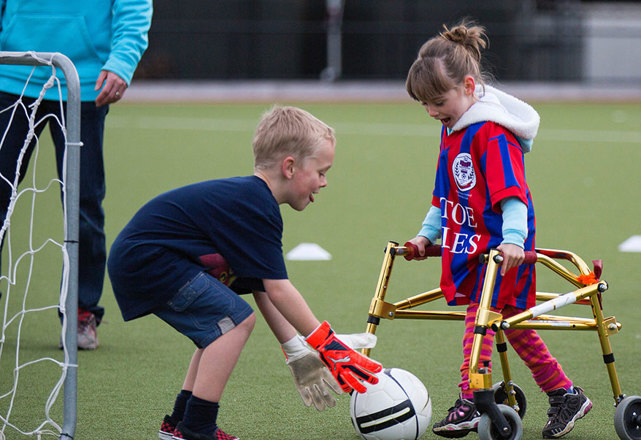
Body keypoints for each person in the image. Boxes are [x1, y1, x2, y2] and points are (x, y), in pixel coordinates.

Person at [107, 106, 382, 440]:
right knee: (236, 322)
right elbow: (280, 289)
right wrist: (328, 344)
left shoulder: (251, 201)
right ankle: (197, 429)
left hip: (141, 259)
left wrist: (295, 348)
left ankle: (180, 424)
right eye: (321, 171)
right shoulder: (255, 204)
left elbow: (263, 288)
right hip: (149, 260)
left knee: (219, 328)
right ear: (290, 167)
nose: (325, 182)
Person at [403, 21, 591, 439]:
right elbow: (444, 198)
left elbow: (514, 199)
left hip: (502, 255)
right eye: (425, 105)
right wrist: (424, 237)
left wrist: (513, 242)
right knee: (515, 328)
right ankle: (565, 394)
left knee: (480, 320)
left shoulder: (492, 135)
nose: (433, 111)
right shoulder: (451, 132)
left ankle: (471, 398)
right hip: (473, 251)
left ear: (468, 86)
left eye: (438, 101)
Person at [0, 0, 153, 350]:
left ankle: (81, 311)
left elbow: (135, 6)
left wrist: (122, 61)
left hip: (81, 81)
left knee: (83, 203)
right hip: (9, 74)